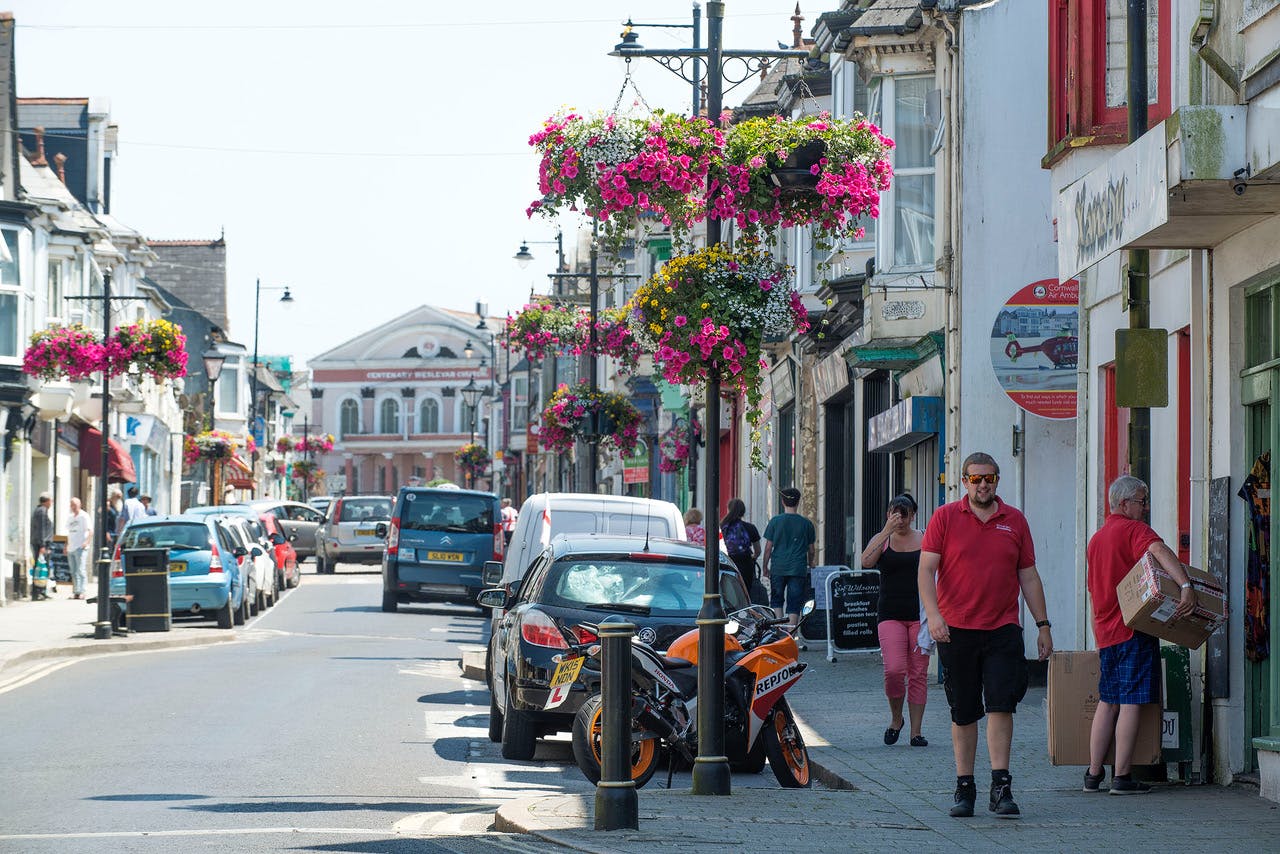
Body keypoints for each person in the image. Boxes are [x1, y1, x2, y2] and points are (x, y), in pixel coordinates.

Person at [919, 452, 1053, 820]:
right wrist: (934, 616)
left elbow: (1028, 576)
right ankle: (965, 787)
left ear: (997, 481)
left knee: (1001, 705)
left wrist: (1043, 625)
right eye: (975, 479)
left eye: (989, 479)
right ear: (963, 481)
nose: (982, 485)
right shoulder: (945, 517)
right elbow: (926, 570)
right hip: (956, 630)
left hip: (1002, 629)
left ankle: (1001, 786)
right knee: (963, 711)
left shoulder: (1015, 521)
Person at [1085, 475, 1195, 795]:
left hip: (1106, 631)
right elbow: (1159, 550)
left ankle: (1093, 776)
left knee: (1108, 702)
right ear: (1124, 504)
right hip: (1133, 628)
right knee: (1132, 702)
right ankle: (1121, 777)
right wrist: (1185, 586)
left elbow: (1093, 588)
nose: (1145, 508)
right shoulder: (1134, 530)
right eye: (1141, 501)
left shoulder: (1097, 539)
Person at [862, 493, 929, 748]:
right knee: (893, 670)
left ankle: (916, 732)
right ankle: (896, 719)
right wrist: (884, 531)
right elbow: (866, 561)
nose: (900, 518)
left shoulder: (924, 538)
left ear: (913, 515)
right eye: (894, 512)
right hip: (889, 614)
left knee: (918, 673)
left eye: (904, 513)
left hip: (920, 616)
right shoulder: (883, 539)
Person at [761, 487, 816, 628]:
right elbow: (811, 550)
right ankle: (791, 634)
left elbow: (768, 548)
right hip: (798, 568)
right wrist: (811, 563)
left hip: (778, 567)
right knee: (794, 603)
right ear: (798, 502)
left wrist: (765, 567)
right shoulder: (806, 524)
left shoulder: (775, 521)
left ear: (782, 502)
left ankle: (778, 632)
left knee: (776, 600)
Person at [720, 498, 762, 602]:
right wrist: (753, 557)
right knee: (746, 592)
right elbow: (758, 550)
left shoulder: (723, 527)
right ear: (743, 512)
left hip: (730, 562)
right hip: (746, 563)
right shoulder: (750, 527)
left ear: (729, 509)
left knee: (730, 593)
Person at [66, 497, 93, 600]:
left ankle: (83, 591)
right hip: (71, 547)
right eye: (72, 505)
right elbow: (68, 532)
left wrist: (86, 542)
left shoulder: (84, 516)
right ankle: (76, 591)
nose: (73, 507)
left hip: (80, 546)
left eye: (75, 505)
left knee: (81, 570)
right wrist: (66, 545)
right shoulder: (70, 517)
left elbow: (90, 531)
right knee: (73, 571)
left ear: (79, 505)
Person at [30, 493, 53, 568]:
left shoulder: (38, 510)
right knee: (42, 565)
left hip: (38, 542)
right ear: (47, 501)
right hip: (42, 543)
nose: (51, 503)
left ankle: (38, 579)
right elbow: (41, 528)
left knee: (39, 564)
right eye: (51, 501)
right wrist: (42, 545)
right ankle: (41, 579)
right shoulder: (42, 511)